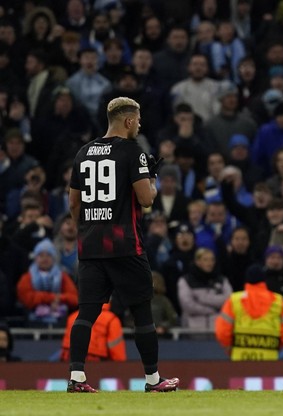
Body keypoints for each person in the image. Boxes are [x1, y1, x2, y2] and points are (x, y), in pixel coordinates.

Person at [67, 96, 179, 393]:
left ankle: (76, 378)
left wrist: (87, 230)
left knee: (87, 313)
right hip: (125, 245)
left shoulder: (84, 152)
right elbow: (145, 199)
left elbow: (74, 202)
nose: (139, 125)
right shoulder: (132, 151)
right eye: (138, 121)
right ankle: (153, 380)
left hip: (90, 246)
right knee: (142, 312)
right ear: (129, 121)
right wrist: (151, 179)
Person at [215, 264, 283, 360]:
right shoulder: (278, 301)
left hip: (240, 358)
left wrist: (229, 349)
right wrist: (275, 347)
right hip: (269, 358)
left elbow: (222, 331)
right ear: (264, 280)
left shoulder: (234, 300)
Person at [61, 302, 127, 362]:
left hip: (75, 365)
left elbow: (65, 350)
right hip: (99, 366)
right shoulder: (111, 319)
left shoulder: (72, 317)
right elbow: (117, 354)